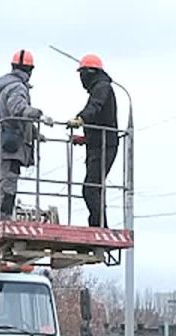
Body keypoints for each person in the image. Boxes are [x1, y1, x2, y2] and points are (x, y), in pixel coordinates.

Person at [0, 49, 53, 224]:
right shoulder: (17, 87)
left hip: (1, 145)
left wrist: (35, 134)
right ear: (30, 70)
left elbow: (15, 117)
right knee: (7, 187)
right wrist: (39, 115)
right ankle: (2, 220)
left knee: (0, 186)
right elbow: (18, 109)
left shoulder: (3, 87)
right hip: (10, 147)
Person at [68, 54, 118, 228]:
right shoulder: (99, 86)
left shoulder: (102, 87)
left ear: (90, 73)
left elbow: (95, 106)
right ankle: (99, 226)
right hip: (98, 144)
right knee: (94, 188)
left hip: (105, 146)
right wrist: (85, 138)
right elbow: (101, 119)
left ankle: (99, 227)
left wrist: (81, 118)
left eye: (82, 74)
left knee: (91, 188)